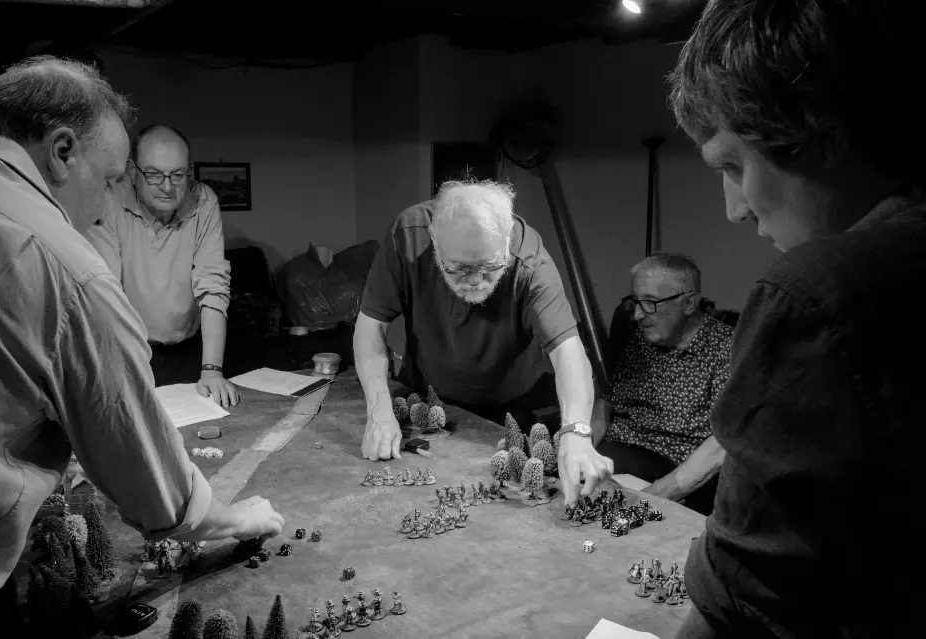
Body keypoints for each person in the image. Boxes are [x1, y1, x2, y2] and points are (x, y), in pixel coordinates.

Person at [0, 57, 283, 639]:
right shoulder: (69, 267)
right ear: (62, 152)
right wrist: (235, 517)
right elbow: (152, 483)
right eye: (112, 178)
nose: (105, 201)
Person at [668, 1, 926, 636]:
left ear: (816, 129)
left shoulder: (815, 296)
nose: (734, 209)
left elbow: (740, 604)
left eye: (733, 165)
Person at [354, 179, 612, 506]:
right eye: (460, 269)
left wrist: (577, 432)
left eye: (490, 267)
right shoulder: (407, 236)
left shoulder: (530, 262)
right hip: (429, 399)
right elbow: (369, 329)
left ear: (506, 244)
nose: (476, 281)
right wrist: (378, 409)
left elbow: (568, 352)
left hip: (512, 406)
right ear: (434, 239)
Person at [86, 124, 239, 407]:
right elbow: (104, 292)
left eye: (178, 175)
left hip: (188, 351)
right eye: (155, 174)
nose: (168, 187)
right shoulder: (108, 200)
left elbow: (213, 286)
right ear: (133, 170)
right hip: (128, 350)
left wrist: (212, 370)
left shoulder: (203, 201)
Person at [601, 253, 731, 515]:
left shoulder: (728, 348)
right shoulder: (644, 336)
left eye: (649, 302)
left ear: (689, 303)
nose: (637, 314)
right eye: (635, 302)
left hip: (680, 470)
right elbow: (607, 401)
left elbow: (723, 443)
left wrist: (656, 494)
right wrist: (581, 444)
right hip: (623, 451)